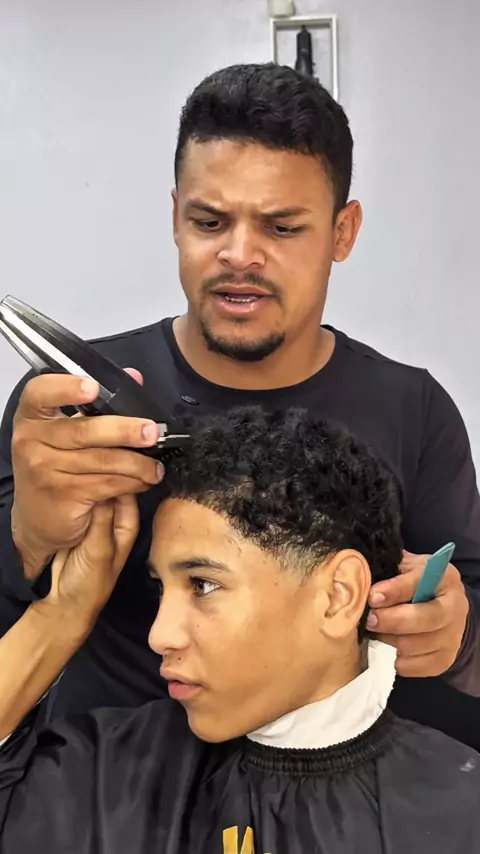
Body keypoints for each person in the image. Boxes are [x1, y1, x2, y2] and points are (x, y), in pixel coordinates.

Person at [0, 63, 479, 745]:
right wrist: (27, 537)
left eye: (281, 228)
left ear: (343, 232)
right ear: (175, 217)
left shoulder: (413, 410)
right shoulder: (68, 410)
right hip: (104, 784)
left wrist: (456, 635)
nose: (239, 255)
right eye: (209, 221)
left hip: (331, 787)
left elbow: (468, 612)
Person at [1, 408, 479, 854]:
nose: (159, 635)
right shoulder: (109, 776)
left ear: (338, 595)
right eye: (159, 589)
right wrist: (62, 613)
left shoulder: (461, 812)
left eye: (203, 585)